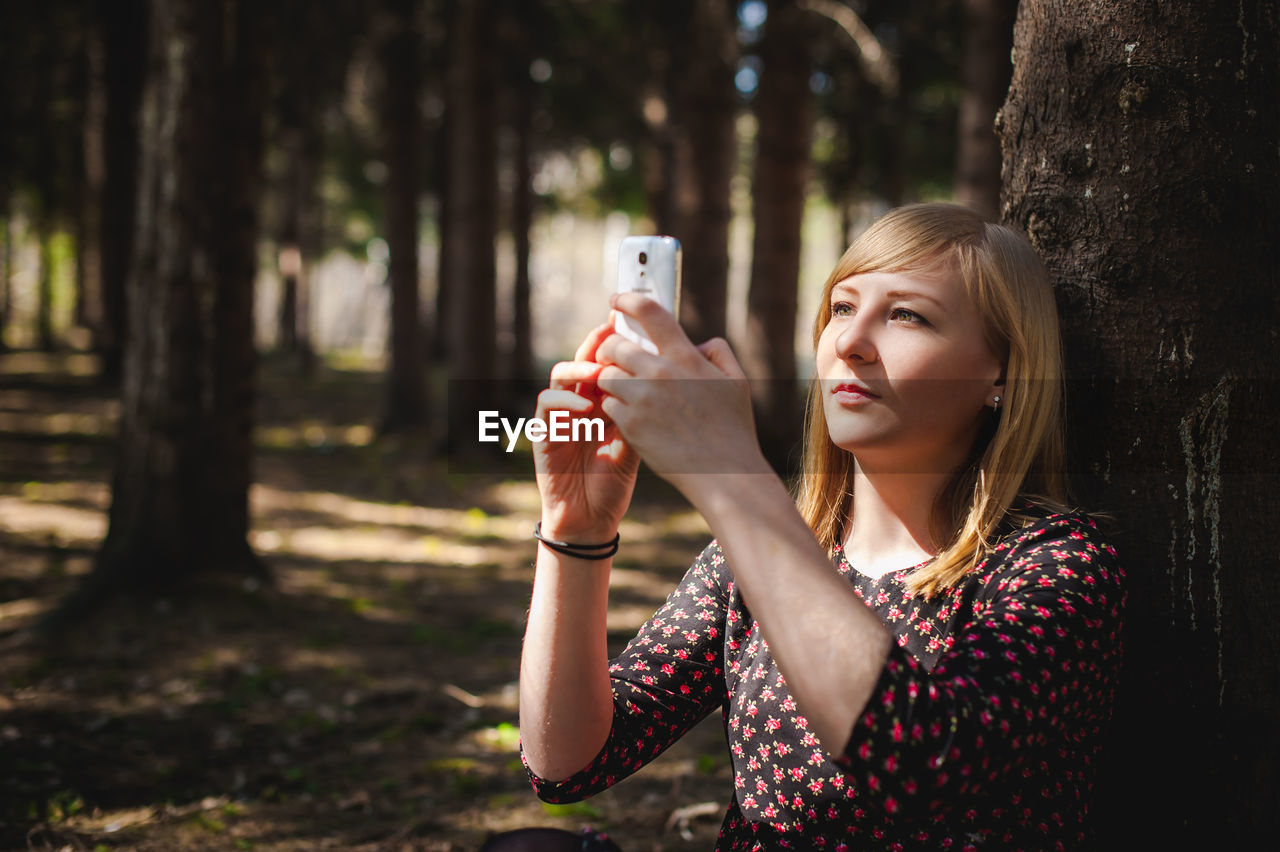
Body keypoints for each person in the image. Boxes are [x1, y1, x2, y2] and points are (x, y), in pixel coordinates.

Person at [516, 203, 1125, 851]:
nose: (850, 341)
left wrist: (731, 476)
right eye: (841, 308)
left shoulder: (1056, 567)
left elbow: (919, 764)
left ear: (1001, 372)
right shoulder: (756, 554)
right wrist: (575, 530)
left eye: (907, 315)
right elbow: (569, 764)